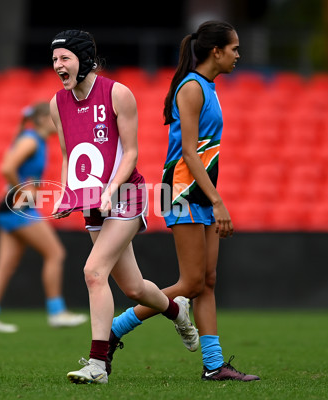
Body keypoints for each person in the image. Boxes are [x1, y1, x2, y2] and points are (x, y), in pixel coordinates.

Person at [108, 21, 260, 381]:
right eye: (234, 48)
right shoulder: (192, 88)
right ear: (216, 51)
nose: (239, 54)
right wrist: (219, 202)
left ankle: (213, 365)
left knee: (206, 281)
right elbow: (190, 154)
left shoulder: (207, 86)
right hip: (180, 192)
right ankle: (115, 328)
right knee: (191, 284)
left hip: (194, 193)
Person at [49, 29, 198, 384]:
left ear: (84, 59)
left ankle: (97, 365)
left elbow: (130, 153)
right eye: (54, 59)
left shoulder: (118, 93)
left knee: (93, 272)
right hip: (93, 201)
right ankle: (178, 310)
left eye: (64, 58)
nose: (58, 66)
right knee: (133, 287)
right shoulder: (57, 104)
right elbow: (69, 155)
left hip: (126, 195)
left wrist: (110, 190)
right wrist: (67, 193)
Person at [0, 102, 87, 333]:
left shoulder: (34, 139)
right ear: (42, 119)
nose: (59, 122)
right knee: (55, 253)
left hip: (12, 207)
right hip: (19, 207)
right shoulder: (30, 140)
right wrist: (22, 190)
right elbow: (7, 167)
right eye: (54, 118)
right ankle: (57, 313)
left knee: (6, 264)